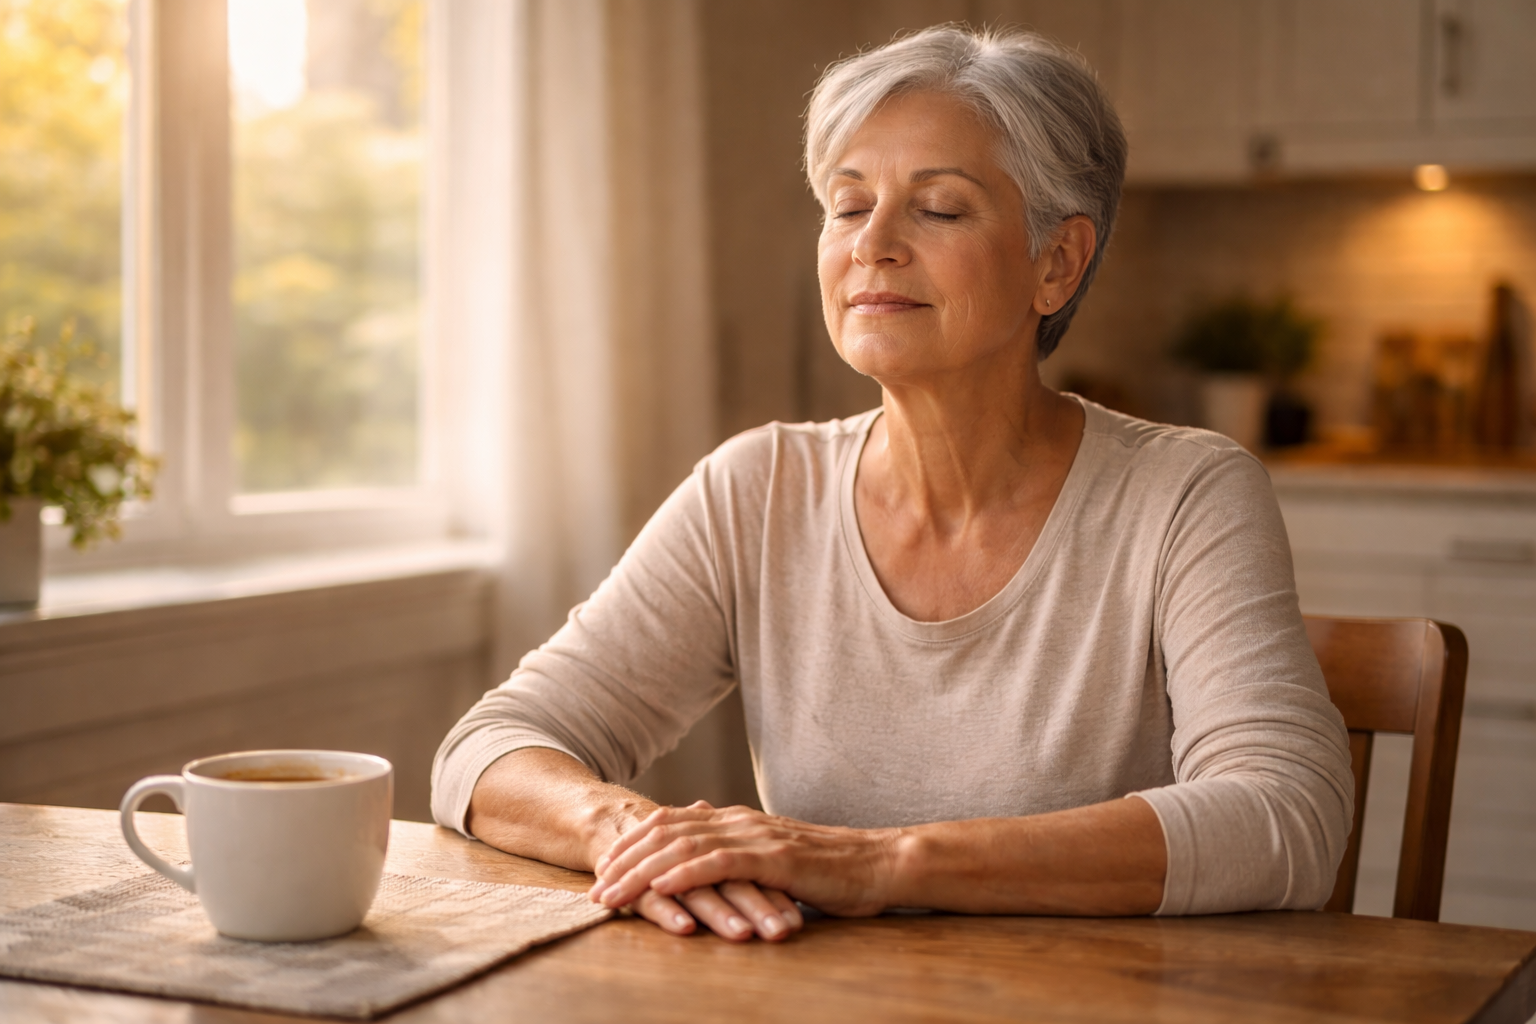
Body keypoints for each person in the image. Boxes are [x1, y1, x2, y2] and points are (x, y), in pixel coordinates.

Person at [431, 25, 1353, 943]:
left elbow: (1286, 818)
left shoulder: (1188, 493)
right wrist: (640, 836)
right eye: (847, 204)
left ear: (1056, 263)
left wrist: (879, 863)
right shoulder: (757, 488)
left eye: (939, 209)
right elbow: (487, 749)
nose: (873, 244)